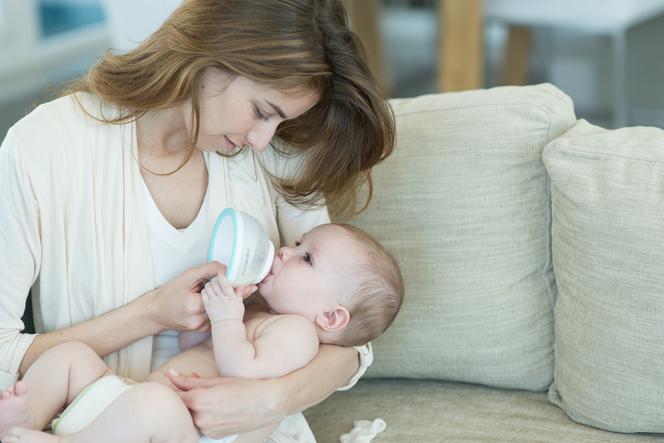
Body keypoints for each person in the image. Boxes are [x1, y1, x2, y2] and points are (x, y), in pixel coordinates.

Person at [0, 0, 396, 440]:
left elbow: (347, 339)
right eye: (262, 111)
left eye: (279, 122)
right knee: (70, 362)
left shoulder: (278, 152)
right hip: (92, 403)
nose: (262, 141)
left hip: (199, 428)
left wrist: (274, 398)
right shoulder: (46, 147)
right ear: (213, 56)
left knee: (153, 405)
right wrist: (152, 314)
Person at [0, 223, 404, 443]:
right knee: (71, 356)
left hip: (189, 433)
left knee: (153, 403)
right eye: (298, 242)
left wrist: (228, 319)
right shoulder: (261, 315)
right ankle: (26, 417)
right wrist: (211, 321)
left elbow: (243, 372)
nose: (284, 251)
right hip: (134, 404)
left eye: (306, 257)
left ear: (331, 317)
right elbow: (197, 349)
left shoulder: (299, 334)